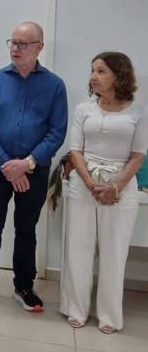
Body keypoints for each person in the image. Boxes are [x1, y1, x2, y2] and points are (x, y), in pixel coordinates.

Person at [0, 21, 67, 311]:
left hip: (34, 172)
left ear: (39, 47)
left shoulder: (54, 86)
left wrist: (26, 164)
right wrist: (6, 166)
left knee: (26, 230)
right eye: (12, 42)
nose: (15, 48)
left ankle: (24, 285)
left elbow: (57, 132)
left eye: (23, 44)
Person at [61, 52, 147, 333]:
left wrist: (115, 187)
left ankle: (109, 315)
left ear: (119, 76)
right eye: (92, 70)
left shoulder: (137, 112)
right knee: (78, 247)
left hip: (120, 187)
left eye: (101, 71)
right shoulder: (83, 109)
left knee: (114, 252)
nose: (93, 77)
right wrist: (89, 183)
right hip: (84, 182)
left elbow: (138, 155)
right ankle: (76, 308)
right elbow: (75, 150)